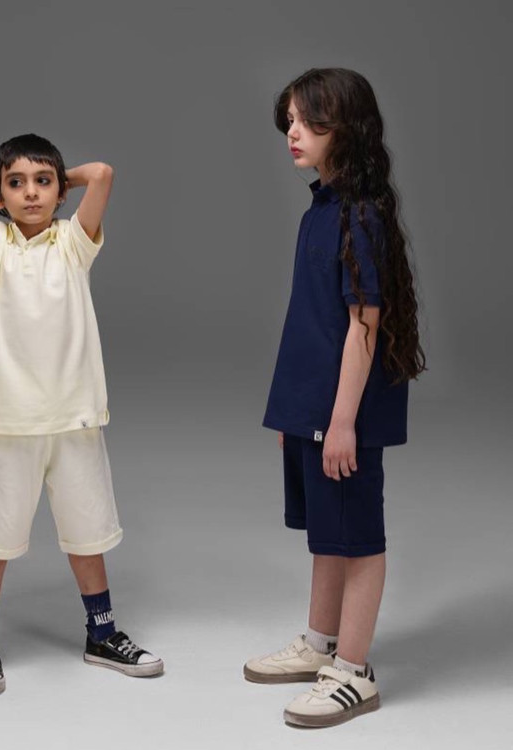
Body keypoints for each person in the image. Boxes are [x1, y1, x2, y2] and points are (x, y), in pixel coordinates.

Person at [0, 133, 163, 696]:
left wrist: (50, 177)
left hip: (74, 417)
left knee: (87, 530)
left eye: (43, 182)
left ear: (61, 192)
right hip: (8, 423)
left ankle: (102, 634)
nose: (31, 193)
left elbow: (102, 172)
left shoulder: (74, 242)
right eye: (16, 184)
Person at [243, 69, 425, 728]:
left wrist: (343, 420)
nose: (292, 133)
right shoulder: (320, 210)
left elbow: (364, 324)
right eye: (289, 121)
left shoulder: (360, 216)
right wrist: (302, 413)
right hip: (311, 408)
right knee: (328, 534)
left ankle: (354, 670)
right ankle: (321, 643)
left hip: (343, 413)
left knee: (358, 538)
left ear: (344, 128)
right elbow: (317, 323)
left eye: (307, 121)